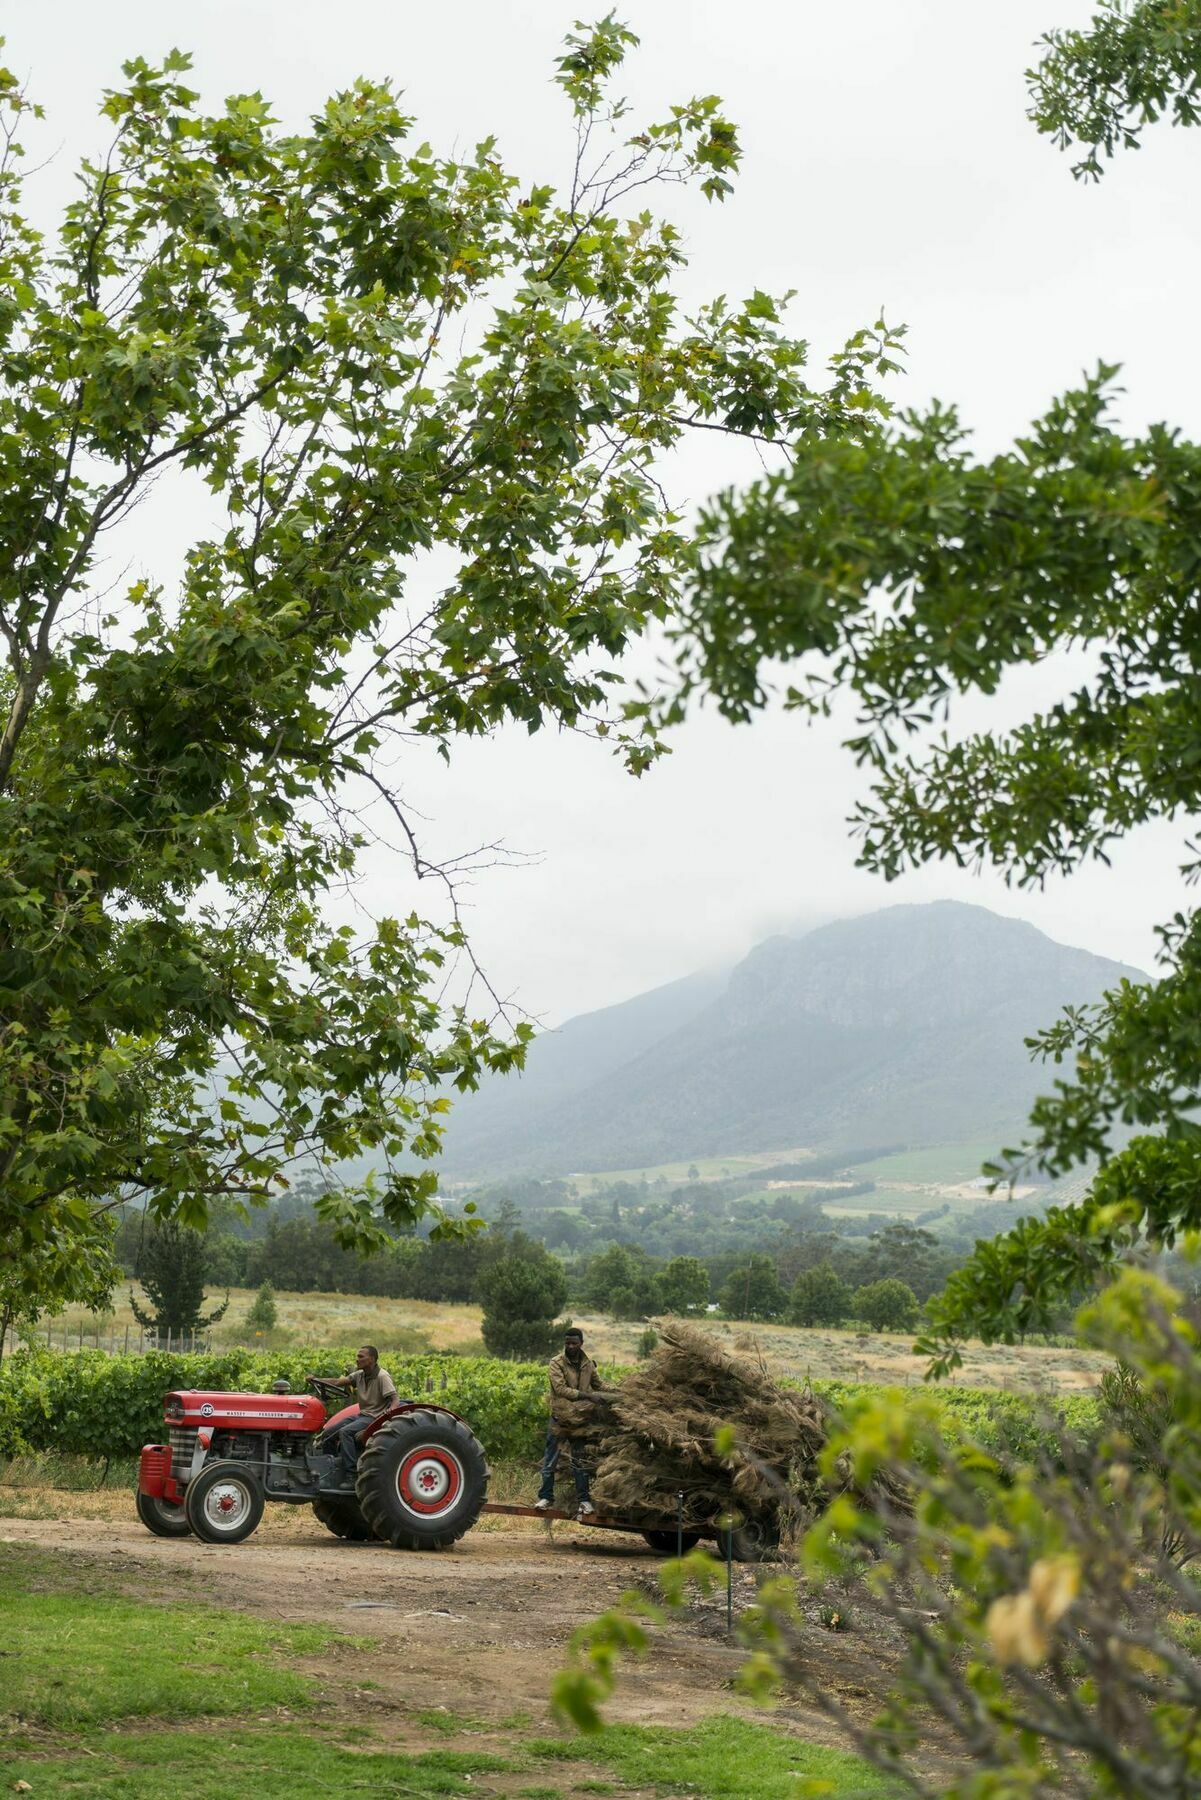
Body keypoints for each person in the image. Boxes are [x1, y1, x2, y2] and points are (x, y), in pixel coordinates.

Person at [535, 1327, 607, 1518]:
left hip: (579, 1421)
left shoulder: (588, 1365)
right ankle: (545, 1497)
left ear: (581, 1343)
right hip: (559, 1419)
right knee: (551, 1460)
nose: (570, 1346)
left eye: (574, 1343)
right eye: (567, 1343)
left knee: (579, 1461)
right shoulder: (556, 1363)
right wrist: (588, 1396)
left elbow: (600, 1385)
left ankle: (584, 1500)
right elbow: (560, 1389)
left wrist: (618, 1392)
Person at [313, 1344, 399, 1477]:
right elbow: (336, 1382)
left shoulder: (382, 1377)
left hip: (374, 1417)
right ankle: (331, 1470)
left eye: (360, 1356)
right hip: (361, 1416)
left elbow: (395, 1398)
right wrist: (316, 1380)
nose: (357, 1359)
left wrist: (390, 1412)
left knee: (345, 1432)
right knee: (327, 1434)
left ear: (372, 1359)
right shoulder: (359, 1375)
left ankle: (351, 1474)